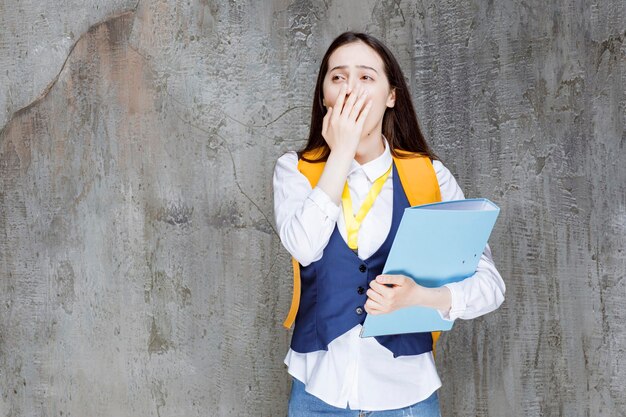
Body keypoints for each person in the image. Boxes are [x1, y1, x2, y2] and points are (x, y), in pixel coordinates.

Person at [273, 32, 505, 416]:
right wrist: (342, 151)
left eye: (366, 77)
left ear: (391, 95)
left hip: (407, 399)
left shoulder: (430, 176)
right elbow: (304, 246)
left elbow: (490, 285)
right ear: (323, 97)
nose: (350, 89)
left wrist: (422, 298)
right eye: (337, 78)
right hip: (317, 396)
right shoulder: (295, 171)